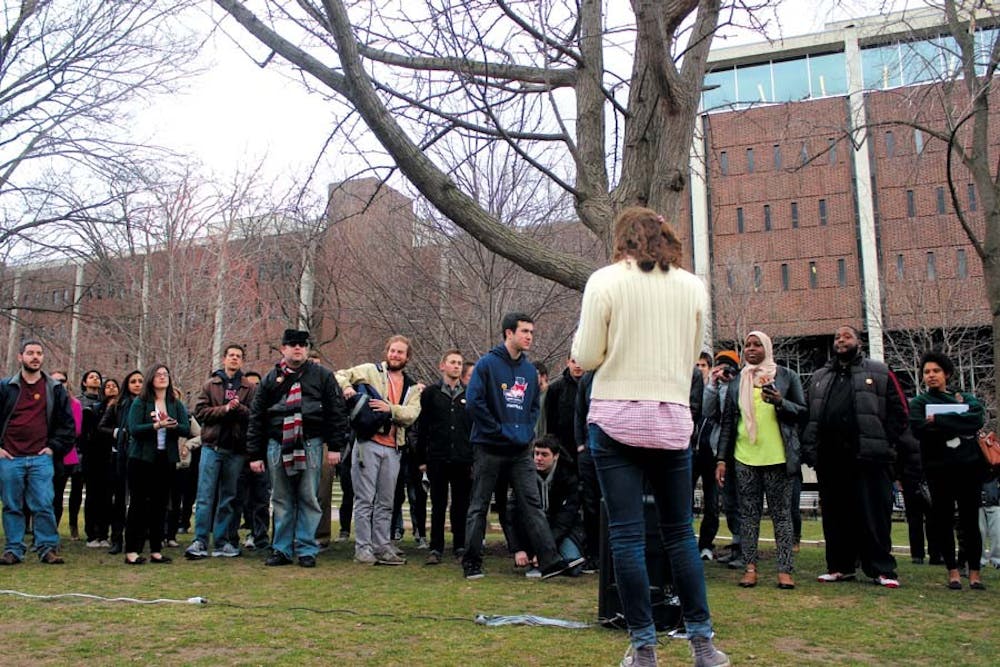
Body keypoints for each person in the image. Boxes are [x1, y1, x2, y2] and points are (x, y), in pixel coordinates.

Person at [572, 207, 728, 667]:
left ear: (623, 238)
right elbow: (693, 349)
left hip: (616, 413)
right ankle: (702, 642)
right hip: (671, 415)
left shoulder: (604, 280)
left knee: (625, 535)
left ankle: (643, 646)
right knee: (680, 533)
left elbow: (586, 355)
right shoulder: (692, 286)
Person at [462, 312, 581, 581]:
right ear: (508, 333)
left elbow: (533, 407)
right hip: (489, 446)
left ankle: (549, 560)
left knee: (532, 503)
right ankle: (471, 562)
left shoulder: (529, 371)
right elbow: (474, 403)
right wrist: (499, 430)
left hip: (519, 450)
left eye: (531, 332)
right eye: (524, 331)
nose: (529, 336)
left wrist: (525, 432)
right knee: (480, 505)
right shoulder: (487, 365)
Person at [801, 325, 910, 588]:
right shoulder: (819, 377)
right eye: (837, 337)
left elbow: (901, 412)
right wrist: (811, 449)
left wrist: (885, 442)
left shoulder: (879, 372)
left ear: (858, 342)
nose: (841, 340)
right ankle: (840, 566)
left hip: (869, 459)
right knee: (836, 517)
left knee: (874, 516)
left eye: (846, 336)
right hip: (831, 460)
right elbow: (809, 415)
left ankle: (882, 569)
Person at [247, 329, 349, 567]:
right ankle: (281, 549)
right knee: (281, 498)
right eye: (292, 344)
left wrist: (335, 446)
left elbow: (336, 412)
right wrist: (255, 454)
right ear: (283, 349)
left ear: (307, 349)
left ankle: (306, 549)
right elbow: (257, 417)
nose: (297, 349)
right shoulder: (271, 379)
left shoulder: (322, 376)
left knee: (308, 497)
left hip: (311, 442)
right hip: (277, 442)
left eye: (302, 345)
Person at [715, 331, 806, 590]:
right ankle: (750, 567)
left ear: (767, 347)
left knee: (781, 516)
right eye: (747, 345)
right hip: (745, 457)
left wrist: (780, 402)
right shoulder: (737, 382)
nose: (751, 349)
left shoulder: (786, 377)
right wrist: (721, 458)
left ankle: (785, 570)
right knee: (749, 515)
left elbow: (802, 411)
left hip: (778, 458)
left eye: (757, 345)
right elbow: (728, 424)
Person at [336, 335, 422, 566]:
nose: (395, 355)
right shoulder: (370, 371)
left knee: (386, 501)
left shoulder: (413, 386)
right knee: (365, 499)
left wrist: (390, 409)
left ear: (407, 357)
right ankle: (362, 548)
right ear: (387, 352)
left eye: (400, 352)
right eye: (392, 351)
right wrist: (347, 389)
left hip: (394, 448)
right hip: (368, 443)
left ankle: (382, 545)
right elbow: (341, 374)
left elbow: (412, 414)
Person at [908, 350, 987, 590]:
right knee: (942, 519)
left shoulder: (965, 397)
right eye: (926, 372)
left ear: (947, 374)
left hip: (968, 467)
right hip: (938, 469)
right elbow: (919, 428)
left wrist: (939, 420)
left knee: (970, 520)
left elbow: (976, 419)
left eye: (936, 371)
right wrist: (955, 419)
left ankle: (974, 571)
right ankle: (952, 570)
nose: (931, 376)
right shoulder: (920, 402)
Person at [0, 341, 75, 565]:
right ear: (20, 357)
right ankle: (13, 549)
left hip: (41, 458)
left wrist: (53, 448)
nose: (35, 357)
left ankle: (47, 548)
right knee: (12, 506)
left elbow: (67, 426)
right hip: (10, 457)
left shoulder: (54, 389)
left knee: (43, 504)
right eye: (30, 353)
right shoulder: (6, 388)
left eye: (39, 354)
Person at [186, 344, 257, 560]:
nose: (234, 359)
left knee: (229, 497)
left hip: (236, 450)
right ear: (224, 359)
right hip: (212, 447)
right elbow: (200, 412)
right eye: (231, 355)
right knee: (205, 496)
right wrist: (224, 409)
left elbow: (254, 415)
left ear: (242, 361)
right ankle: (199, 540)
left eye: (238, 356)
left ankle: (222, 541)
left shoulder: (249, 388)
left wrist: (239, 408)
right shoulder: (211, 384)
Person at [124, 364, 191, 564]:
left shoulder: (175, 403)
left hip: (165, 459)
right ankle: (132, 551)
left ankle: (156, 549)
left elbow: (187, 429)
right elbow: (134, 429)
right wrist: (157, 425)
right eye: (159, 375)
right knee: (138, 504)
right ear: (151, 378)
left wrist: (173, 425)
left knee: (160, 504)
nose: (163, 377)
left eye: (166, 375)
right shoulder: (141, 402)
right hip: (142, 459)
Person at [416, 349, 473, 564]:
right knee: (438, 504)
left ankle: (460, 546)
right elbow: (423, 428)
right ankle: (436, 548)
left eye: (459, 363)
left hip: (462, 458)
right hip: (437, 457)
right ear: (443, 366)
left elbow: (472, 428)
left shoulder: (468, 394)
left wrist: (473, 457)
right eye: (452, 362)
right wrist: (421, 458)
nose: (457, 366)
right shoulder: (430, 394)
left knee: (460, 505)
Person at [507, 436, 585, 577]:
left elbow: (565, 519)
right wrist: (517, 549)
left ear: (555, 456)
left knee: (575, 566)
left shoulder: (569, 478)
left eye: (544, 454)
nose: (538, 458)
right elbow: (511, 513)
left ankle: (551, 561)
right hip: (532, 530)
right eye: (536, 453)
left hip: (561, 531)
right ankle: (542, 561)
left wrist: (545, 549)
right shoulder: (524, 476)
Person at [698, 350, 742, 567]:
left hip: (741, 448)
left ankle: (744, 548)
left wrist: (732, 383)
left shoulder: (740, 384)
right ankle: (737, 545)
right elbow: (708, 411)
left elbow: (735, 413)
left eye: (728, 367)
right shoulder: (716, 386)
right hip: (720, 450)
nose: (724, 371)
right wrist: (714, 385)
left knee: (742, 500)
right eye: (720, 366)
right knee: (729, 501)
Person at [99, 370, 143, 554]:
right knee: (119, 500)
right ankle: (116, 538)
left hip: (142, 456)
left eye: (141, 381)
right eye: (133, 381)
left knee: (140, 499)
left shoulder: (148, 405)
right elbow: (102, 426)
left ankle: (138, 538)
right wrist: (118, 433)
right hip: (121, 455)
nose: (137, 384)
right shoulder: (118, 405)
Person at [545, 355, 585, 470]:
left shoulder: (592, 387)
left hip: (587, 446)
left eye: (580, 362)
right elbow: (550, 421)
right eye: (573, 361)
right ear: (567, 362)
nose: (577, 366)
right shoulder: (555, 388)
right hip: (563, 448)